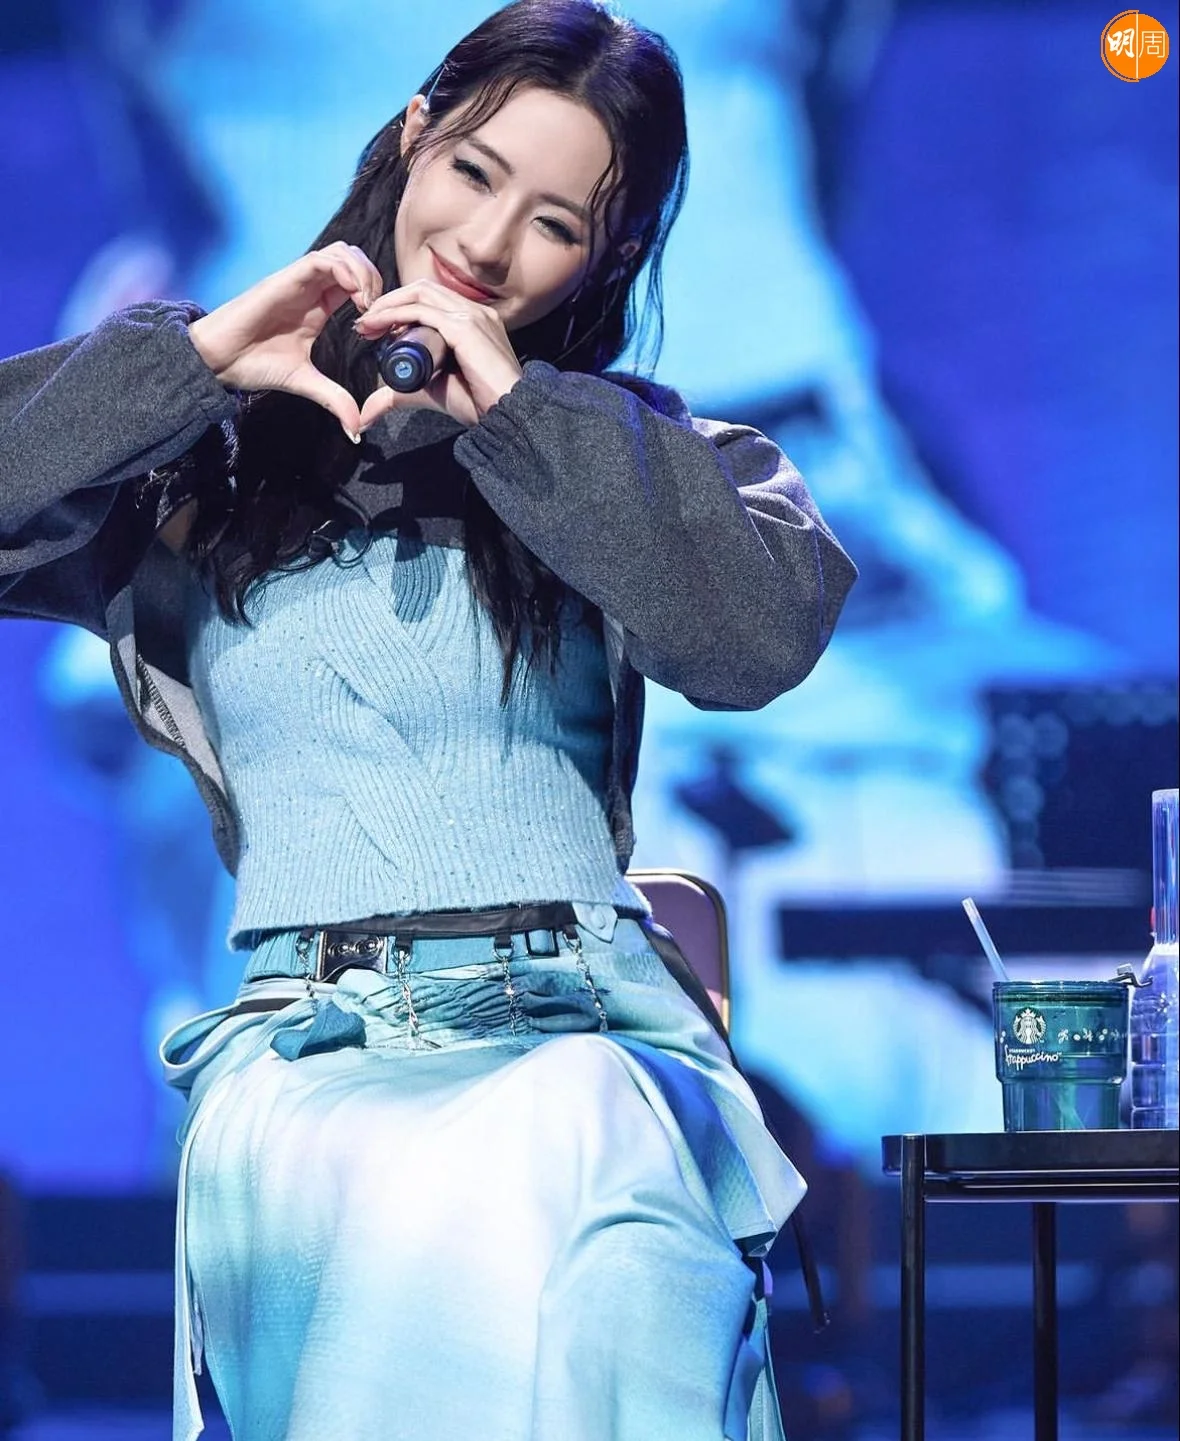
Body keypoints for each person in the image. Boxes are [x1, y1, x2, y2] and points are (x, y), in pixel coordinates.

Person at [0, 1, 856, 1436]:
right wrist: (192, 364)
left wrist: (520, 422)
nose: (488, 242)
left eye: (556, 223)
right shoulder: (200, 470)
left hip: (577, 1032)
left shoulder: (633, 458)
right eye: (473, 172)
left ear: (605, 257)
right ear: (415, 135)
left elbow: (757, 640)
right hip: (313, 1059)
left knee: (580, 1153)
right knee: (475, 1198)